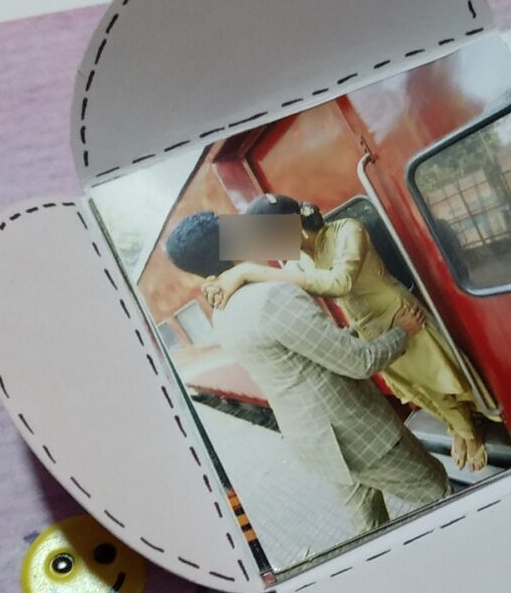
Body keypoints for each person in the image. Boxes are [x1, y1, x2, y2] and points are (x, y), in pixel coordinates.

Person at [163, 210, 450, 539]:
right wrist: (402, 331)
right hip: (357, 435)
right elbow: (360, 363)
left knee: (369, 526)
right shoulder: (272, 296)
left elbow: (306, 353)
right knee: (436, 489)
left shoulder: (222, 312)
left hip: (319, 443)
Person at [202, 195, 490, 471]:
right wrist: (220, 281)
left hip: (398, 313)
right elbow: (274, 288)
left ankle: (469, 430)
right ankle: (456, 428)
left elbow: (341, 283)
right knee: (418, 388)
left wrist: (249, 272)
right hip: (368, 329)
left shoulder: (348, 230)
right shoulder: (296, 262)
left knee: (436, 379)